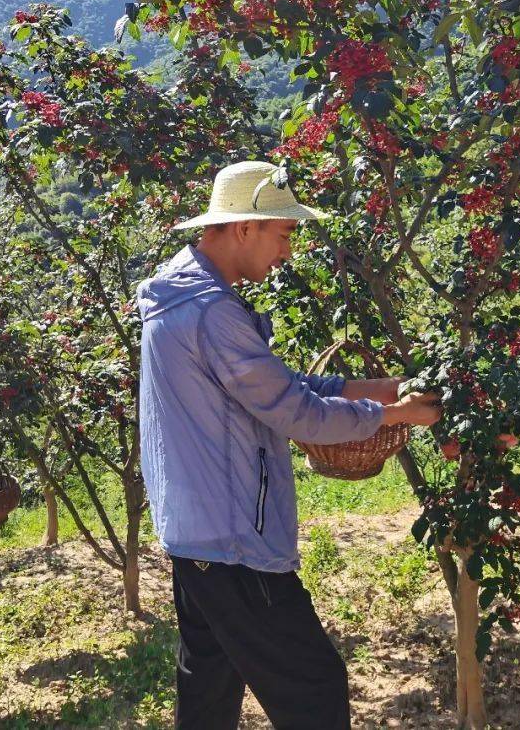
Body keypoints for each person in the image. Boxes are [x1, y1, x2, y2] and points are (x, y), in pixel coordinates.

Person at [137, 161, 441, 730]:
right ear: (244, 227)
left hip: (194, 533)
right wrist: (395, 415)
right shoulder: (212, 312)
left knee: (209, 686)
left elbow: (282, 387)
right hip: (234, 542)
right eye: (285, 233)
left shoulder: (182, 295)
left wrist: (387, 390)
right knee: (314, 689)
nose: (289, 251)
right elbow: (296, 413)